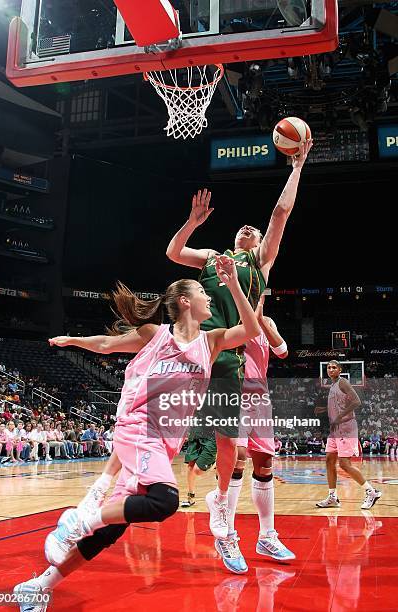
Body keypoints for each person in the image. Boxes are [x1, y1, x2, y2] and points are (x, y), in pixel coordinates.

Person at [14, 255, 260, 609]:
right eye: (203, 295)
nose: (210, 299)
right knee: (164, 500)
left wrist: (235, 283)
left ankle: (39, 586)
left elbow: (250, 331)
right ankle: (80, 520)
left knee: (112, 530)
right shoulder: (154, 334)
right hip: (137, 429)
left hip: (164, 443)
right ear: (185, 301)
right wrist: (72, 340)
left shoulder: (212, 341)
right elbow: (106, 344)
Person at [166, 141, 312, 538]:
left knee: (263, 459)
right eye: (243, 228)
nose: (249, 228)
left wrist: (297, 166)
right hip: (219, 350)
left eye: (255, 229)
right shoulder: (213, 257)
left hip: (252, 350)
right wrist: (192, 222)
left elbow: (281, 212)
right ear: (232, 238)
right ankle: (224, 520)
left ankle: (266, 534)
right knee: (235, 449)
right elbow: (175, 252)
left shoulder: (262, 259)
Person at [213, 294, 295, 574]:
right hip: (231, 397)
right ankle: (227, 537)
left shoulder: (266, 321)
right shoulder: (223, 323)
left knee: (265, 465)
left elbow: (283, 351)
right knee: (236, 461)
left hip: (260, 400)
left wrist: (259, 319)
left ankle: (267, 536)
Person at [315, 361, 382, 510]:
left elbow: (356, 402)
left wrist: (339, 417)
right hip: (335, 429)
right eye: (329, 367)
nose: (330, 369)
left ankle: (372, 492)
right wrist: (324, 409)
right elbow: (339, 405)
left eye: (334, 367)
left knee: (344, 464)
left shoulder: (343, 382)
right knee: (329, 461)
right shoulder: (332, 386)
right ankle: (332, 497)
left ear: (340, 370)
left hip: (346, 427)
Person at [180, 428, 217, 508]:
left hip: (211, 434)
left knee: (198, 470)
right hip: (195, 432)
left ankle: (217, 462)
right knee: (191, 465)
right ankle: (190, 498)